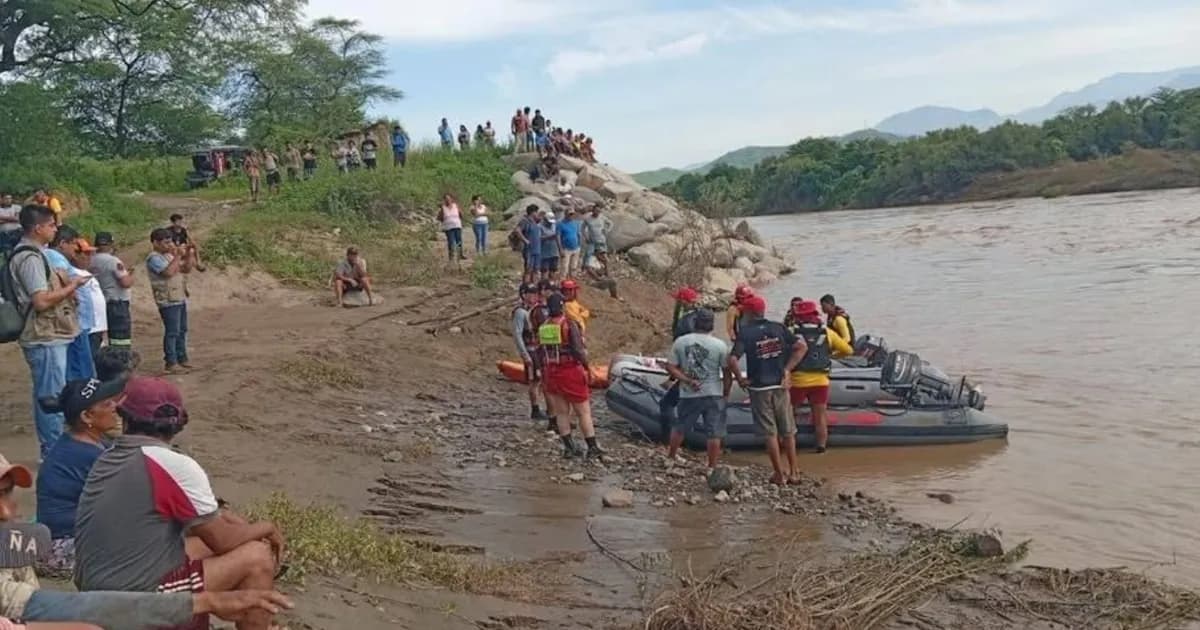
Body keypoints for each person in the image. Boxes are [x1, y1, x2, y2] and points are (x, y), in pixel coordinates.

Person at [73, 377, 286, 630]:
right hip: (132, 600)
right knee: (257, 556)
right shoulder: (172, 464)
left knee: (210, 544)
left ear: (125, 417)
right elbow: (224, 540)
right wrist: (267, 527)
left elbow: (201, 525)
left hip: (94, 589)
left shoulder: (107, 457)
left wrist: (235, 523)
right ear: (177, 424)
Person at [7, 206, 86, 458]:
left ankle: (55, 445)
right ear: (38, 228)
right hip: (44, 335)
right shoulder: (30, 258)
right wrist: (72, 285)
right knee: (50, 395)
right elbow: (40, 301)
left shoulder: (38, 254)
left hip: (50, 333)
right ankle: (52, 449)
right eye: (51, 225)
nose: (55, 229)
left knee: (54, 390)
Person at [36, 378, 126, 575]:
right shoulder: (87, 454)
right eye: (106, 403)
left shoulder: (85, 442)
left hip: (63, 536)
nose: (115, 407)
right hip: (63, 547)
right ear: (87, 416)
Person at [729, 295, 806, 484]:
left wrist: (740, 379)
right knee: (788, 430)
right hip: (780, 385)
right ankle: (794, 471)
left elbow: (731, 359)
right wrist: (787, 369)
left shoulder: (745, 333)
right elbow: (801, 347)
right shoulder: (778, 328)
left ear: (749, 312)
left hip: (759, 387)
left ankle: (779, 473)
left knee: (769, 432)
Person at [538, 294, 603, 458]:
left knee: (561, 412)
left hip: (551, 372)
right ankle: (592, 447)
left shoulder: (544, 326)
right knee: (583, 411)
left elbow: (541, 352)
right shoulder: (568, 324)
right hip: (570, 371)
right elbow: (578, 350)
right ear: (562, 307)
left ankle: (568, 447)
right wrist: (589, 368)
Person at [664, 309, 731, 468]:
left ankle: (671, 457)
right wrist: (726, 394)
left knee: (680, 426)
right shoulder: (720, 345)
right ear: (712, 325)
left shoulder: (681, 342)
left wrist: (686, 379)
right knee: (714, 432)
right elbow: (727, 373)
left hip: (688, 393)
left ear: (695, 323)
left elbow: (670, 367)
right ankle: (712, 466)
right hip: (713, 393)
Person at [787, 300, 854, 454]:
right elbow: (848, 350)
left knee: (789, 414)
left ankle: (788, 446)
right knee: (820, 416)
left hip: (798, 381)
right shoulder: (827, 332)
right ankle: (821, 447)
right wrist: (831, 355)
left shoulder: (791, 331)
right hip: (821, 381)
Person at [44, 227, 94, 381]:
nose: (75, 248)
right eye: (73, 244)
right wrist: (74, 295)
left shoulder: (49, 255)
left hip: (72, 320)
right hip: (73, 320)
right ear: (62, 243)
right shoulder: (56, 257)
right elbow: (63, 276)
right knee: (80, 364)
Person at [146, 228, 191, 374]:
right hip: (167, 299)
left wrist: (189, 254)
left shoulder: (168, 256)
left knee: (182, 330)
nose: (169, 245)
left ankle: (182, 358)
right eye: (165, 242)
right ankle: (171, 362)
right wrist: (177, 256)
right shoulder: (154, 258)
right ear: (155, 243)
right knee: (172, 331)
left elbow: (185, 269)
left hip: (178, 297)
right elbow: (168, 272)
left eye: (170, 241)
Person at [67, 240, 106, 370]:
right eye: (86, 254)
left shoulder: (85, 273)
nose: (90, 257)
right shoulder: (74, 273)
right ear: (75, 255)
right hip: (88, 327)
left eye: (91, 254)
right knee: (87, 362)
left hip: (96, 326)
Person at [89, 233, 133, 349]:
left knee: (99, 336)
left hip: (99, 303)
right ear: (110, 244)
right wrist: (130, 275)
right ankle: (120, 362)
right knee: (120, 338)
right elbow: (125, 283)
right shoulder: (113, 261)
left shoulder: (90, 260)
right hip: (116, 303)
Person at [511, 283, 548, 422]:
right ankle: (535, 409)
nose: (533, 296)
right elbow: (517, 334)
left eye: (535, 293)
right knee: (534, 381)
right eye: (530, 294)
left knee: (540, 380)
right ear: (524, 294)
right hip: (530, 350)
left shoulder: (535, 310)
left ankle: (541, 407)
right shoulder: (520, 312)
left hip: (539, 349)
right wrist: (524, 355)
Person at [514, 205, 542, 284]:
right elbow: (517, 230)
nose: (537, 214)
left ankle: (534, 286)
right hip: (529, 249)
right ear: (533, 212)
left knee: (536, 269)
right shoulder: (525, 221)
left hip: (537, 249)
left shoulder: (535, 221)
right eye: (536, 212)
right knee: (528, 269)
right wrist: (525, 240)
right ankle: (526, 287)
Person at [581, 204, 612, 274]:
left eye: (599, 211)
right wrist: (585, 237)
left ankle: (606, 270)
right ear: (593, 210)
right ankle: (583, 268)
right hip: (592, 240)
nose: (597, 212)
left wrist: (606, 230)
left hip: (601, 240)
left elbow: (610, 223)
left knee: (603, 255)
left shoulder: (602, 217)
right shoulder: (588, 219)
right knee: (588, 254)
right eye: (596, 210)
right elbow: (582, 228)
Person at [438, 194, 465, 263]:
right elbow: (439, 218)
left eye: (449, 199)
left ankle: (460, 255)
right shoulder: (443, 208)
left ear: (452, 199)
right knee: (451, 242)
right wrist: (445, 219)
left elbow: (461, 215)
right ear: (444, 200)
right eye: (446, 199)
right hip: (448, 228)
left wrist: (460, 215)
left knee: (459, 241)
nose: (448, 200)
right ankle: (451, 256)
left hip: (457, 225)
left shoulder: (456, 206)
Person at [558, 208, 582, 279]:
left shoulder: (576, 223)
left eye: (572, 214)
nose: (571, 216)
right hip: (566, 248)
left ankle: (572, 282)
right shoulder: (560, 224)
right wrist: (560, 249)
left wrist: (580, 245)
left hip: (576, 247)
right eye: (570, 214)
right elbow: (558, 237)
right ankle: (563, 282)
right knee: (564, 267)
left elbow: (578, 234)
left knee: (574, 267)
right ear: (565, 214)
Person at [539, 211, 561, 281]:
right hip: (544, 253)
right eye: (549, 222)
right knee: (544, 271)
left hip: (554, 252)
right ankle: (544, 286)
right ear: (545, 220)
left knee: (553, 270)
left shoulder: (554, 225)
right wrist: (549, 237)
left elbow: (558, 237)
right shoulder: (540, 226)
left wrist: (560, 249)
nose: (550, 223)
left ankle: (551, 286)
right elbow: (539, 238)